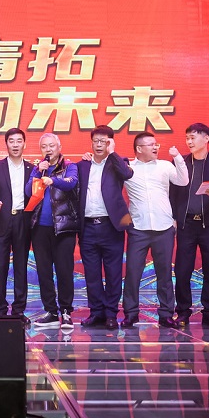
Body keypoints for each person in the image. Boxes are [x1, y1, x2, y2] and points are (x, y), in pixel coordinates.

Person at [122, 132, 189, 329]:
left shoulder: (165, 166)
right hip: (138, 228)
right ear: (139, 149)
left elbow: (183, 181)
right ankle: (130, 313)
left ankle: (166, 314)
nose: (155, 147)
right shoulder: (128, 169)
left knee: (165, 273)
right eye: (150, 144)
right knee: (133, 272)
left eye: (156, 144)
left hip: (164, 227)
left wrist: (178, 158)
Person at [169, 123, 209, 328]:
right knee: (183, 270)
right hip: (186, 224)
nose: (189, 142)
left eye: (193, 137)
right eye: (187, 138)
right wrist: (174, 217)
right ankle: (183, 311)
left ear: (206, 139)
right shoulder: (180, 162)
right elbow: (173, 193)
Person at [76, 126, 133, 330]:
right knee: (92, 273)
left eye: (104, 141)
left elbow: (127, 174)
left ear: (111, 143)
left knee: (113, 272)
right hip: (88, 227)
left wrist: (113, 153)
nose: (100, 145)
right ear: (91, 143)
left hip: (111, 226)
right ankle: (96, 312)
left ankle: (111, 314)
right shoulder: (82, 165)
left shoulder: (119, 162)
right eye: (96, 141)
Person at [26, 133, 79, 331]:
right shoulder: (38, 168)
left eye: (51, 145)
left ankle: (66, 311)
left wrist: (53, 180)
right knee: (44, 271)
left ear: (59, 146)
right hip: (40, 227)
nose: (48, 150)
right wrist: (37, 173)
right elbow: (28, 191)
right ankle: (51, 311)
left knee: (64, 271)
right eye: (44, 147)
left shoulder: (69, 166)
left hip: (63, 227)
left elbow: (71, 183)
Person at [0, 128, 33, 320]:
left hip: (23, 221)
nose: (15, 145)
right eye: (11, 141)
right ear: (6, 144)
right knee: (0, 266)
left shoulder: (32, 169)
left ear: (24, 144)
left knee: (21, 266)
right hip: (2, 220)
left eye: (19, 141)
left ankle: (19, 308)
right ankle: (0, 308)